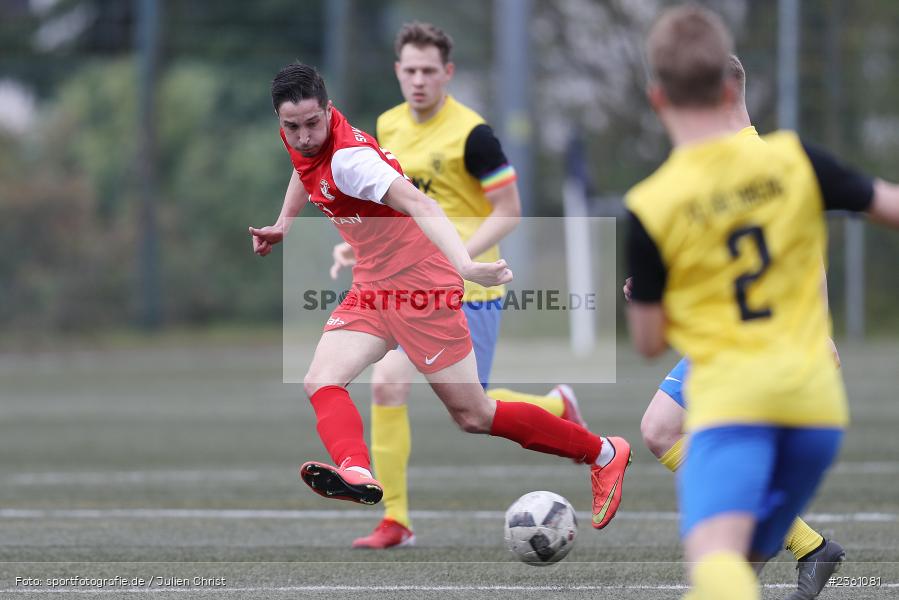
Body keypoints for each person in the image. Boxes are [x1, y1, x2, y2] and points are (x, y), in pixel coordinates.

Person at [249, 62, 633, 534]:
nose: (305, 136)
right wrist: (284, 224)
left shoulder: (351, 160)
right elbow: (302, 170)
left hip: (419, 287)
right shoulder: (306, 140)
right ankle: (356, 469)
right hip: (374, 284)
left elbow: (420, 203)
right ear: (280, 123)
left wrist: (466, 266)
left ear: (328, 112)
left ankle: (603, 452)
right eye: (293, 127)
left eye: (313, 124)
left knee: (475, 415)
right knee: (321, 379)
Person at [625, 6, 899, 600]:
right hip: (814, 405)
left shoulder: (653, 204)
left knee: (718, 568)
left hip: (737, 392)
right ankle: (810, 547)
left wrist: (654, 292)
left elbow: (647, 341)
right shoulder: (795, 160)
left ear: (657, 99)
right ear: (730, 88)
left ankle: (796, 550)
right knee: (675, 449)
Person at [328, 22, 593, 550]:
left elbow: (510, 211)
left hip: (470, 288)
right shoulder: (386, 125)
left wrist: (457, 259)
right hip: (409, 285)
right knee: (387, 383)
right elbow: (390, 200)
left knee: (477, 409)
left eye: (430, 71)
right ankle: (395, 520)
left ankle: (558, 408)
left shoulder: (473, 134)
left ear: (447, 73)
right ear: (397, 72)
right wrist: (359, 243)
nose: (419, 80)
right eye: (410, 70)